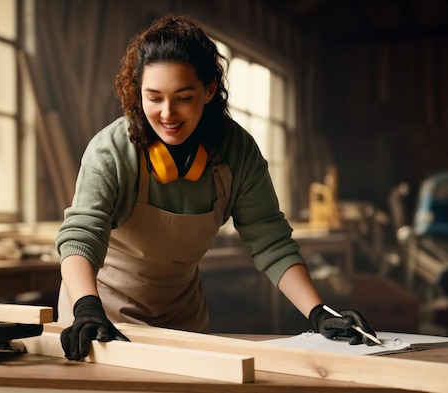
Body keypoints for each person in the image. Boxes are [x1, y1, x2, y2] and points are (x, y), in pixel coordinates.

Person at [55, 14, 377, 361]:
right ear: (137, 93)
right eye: (154, 98)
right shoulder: (113, 150)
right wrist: (86, 309)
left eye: (183, 97)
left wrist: (319, 312)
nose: (167, 113)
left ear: (209, 90)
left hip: (183, 315)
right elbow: (80, 236)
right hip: (104, 312)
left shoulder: (237, 152)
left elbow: (271, 241)